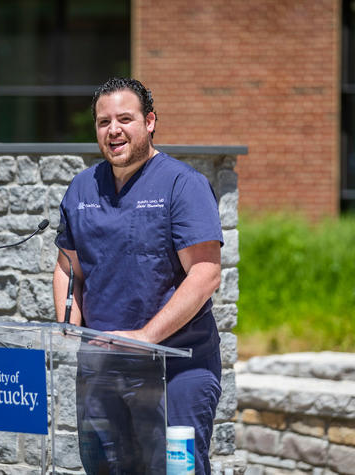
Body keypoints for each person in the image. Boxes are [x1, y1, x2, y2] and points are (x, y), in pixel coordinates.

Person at [53, 77, 223, 474]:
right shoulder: (82, 188)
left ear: (149, 122)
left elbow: (204, 274)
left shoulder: (183, 185)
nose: (113, 130)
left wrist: (146, 337)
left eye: (124, 119)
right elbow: (68, 267)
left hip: (177, 368)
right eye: (103, 122)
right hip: (103, 367)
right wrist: (69, 325)